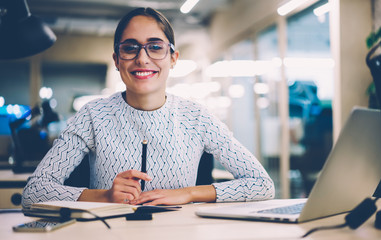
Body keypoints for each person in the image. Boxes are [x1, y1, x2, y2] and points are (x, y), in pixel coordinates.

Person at [22, 7, 275, 208]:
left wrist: (189, 194)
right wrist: (104, 196)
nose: (142, 58)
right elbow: (34, 191)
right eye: (130, 48)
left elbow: (262, 184)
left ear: (173, 58)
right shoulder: (92, 115)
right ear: (117, 60)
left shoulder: (197, 117)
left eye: (155, 47)